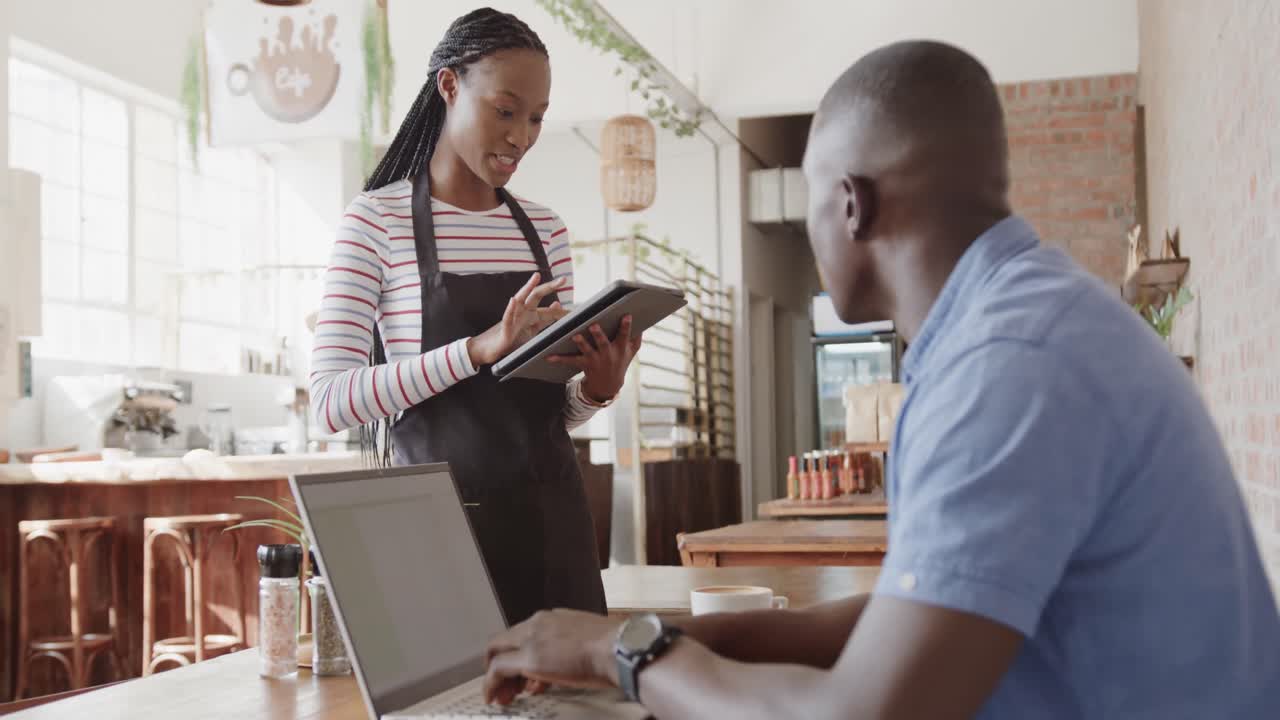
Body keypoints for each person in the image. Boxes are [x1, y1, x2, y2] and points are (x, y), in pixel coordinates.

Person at [480, 40, 1280, 718]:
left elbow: (868, 714)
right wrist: (640, 635)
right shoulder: (1026, 317)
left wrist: (621, 653)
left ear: (850, 204)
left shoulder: (1008, 365)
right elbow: (908, 616)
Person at [309, 8, 641, 626]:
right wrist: (476, 349)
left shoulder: (545, 231)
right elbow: (331, 401)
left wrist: (597, 389)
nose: (521, 136)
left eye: (537, 118)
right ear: (449, 87)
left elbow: (549, 414)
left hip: (552, 526)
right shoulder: (374, 223)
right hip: (437, 533)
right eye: (505, 110)